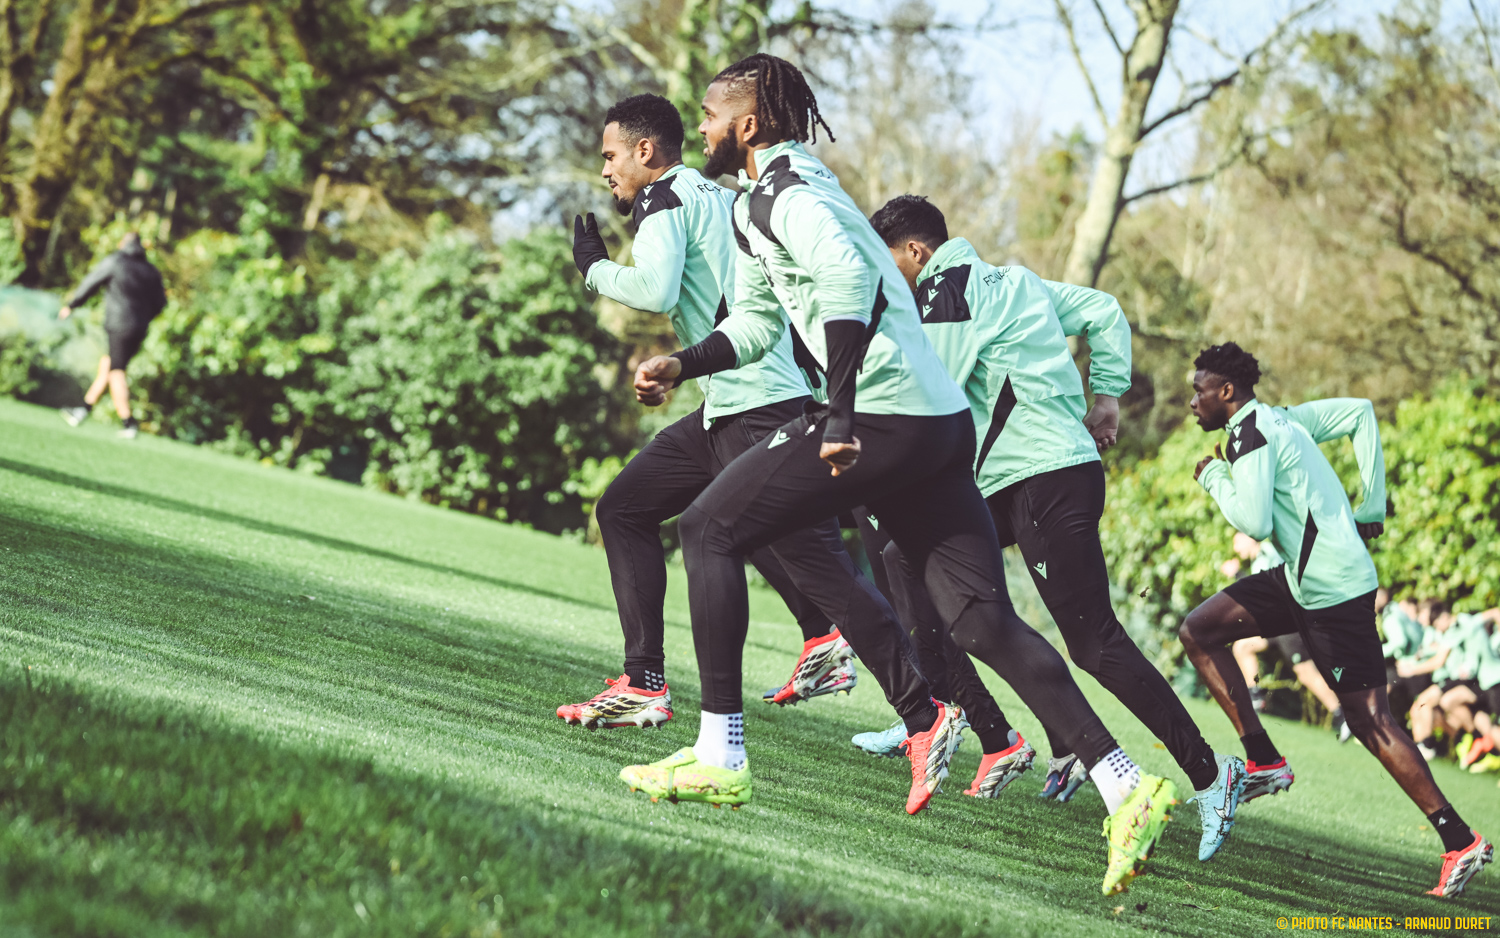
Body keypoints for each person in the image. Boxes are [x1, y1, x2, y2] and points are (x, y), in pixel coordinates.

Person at [621, 55, 1175, 896]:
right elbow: (758, 325)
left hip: (884, 418)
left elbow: (848, 280)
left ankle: (719, 756)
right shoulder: (763, 201)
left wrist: (840, 414)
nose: (699, 127)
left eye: (709, 113)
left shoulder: (786, 193)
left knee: (707, 528)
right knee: (981, 622)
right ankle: (1126, 785)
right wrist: (684, 363)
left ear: (747, 124)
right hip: (939, 424)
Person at [862, 195, 1245, 863]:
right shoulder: (1016, 282)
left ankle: (1213, 775)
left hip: (1044, 478)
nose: (886, 276)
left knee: (1095, 644)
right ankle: (963, 718)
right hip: (1016, 481)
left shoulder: (947, 292)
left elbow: (923, 391)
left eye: (888, 261)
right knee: (907, 558)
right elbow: (1103, 310)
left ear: (917, 252)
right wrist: (1106, 398)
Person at [556, 93, 880, 729]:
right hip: (745, 396)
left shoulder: (662, 197)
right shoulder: (724, 196)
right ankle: (663, 676)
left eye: (611, 156)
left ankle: (930, 702)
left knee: (804, 560)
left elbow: (655, 289)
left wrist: (593, 268)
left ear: (645, 150)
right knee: (631, 510)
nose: (606, 170)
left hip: (751, 401)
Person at [1179, 341, 1492, 897]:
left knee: (1370, 721)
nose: (1192, 402)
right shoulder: (1283, 418)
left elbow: (1253, 520)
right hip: (1304, 580)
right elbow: (1360, 414)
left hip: (1332, 592)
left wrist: (1212, 476)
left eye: (1198, 390)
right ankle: (1264, 760)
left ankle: (1460, 840)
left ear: (1226, 391)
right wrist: (1371, 504)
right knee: (1200, 630)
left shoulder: (1251, 434)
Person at [1228, 535, 1353, 741]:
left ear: (1250, 538)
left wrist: (1237, 574)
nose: (1236, 548)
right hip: (1276, 625)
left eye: (1238, 542)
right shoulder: (1259, 558)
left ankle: (1343, 715)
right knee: (1242, 647)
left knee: (1306, 673)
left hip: (1289, 623)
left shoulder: (1269, 553)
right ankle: (1255, 696)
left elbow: (1264, 591)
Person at [57, 232, 166, 439]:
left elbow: (91, 282)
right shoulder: (151, 270)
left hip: (119, 325)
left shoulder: (116, 261)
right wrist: (143, 317)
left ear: (123, 244)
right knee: (108, 365)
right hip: (140, 327)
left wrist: (72, 305)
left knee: (116, 371)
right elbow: (161, 303)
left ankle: (129, 423)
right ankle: (83, 410)